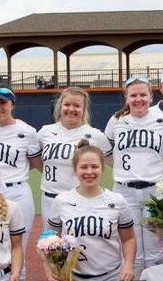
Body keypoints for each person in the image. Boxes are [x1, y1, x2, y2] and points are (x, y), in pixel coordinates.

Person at [105, 77, 163, 277]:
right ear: (126, 98)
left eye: (143, 94)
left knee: (155, 251)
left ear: (151, 97)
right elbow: (107, 151)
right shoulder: (116, 121)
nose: (138, 99)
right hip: (125, 191)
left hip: (155, 192)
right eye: (133, 95)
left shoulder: (162, 120)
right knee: (131, 252)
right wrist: (121, 168)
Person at [47, 140, 137, 281]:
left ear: (102, 169)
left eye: (95, 167)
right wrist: (51, 270)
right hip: (72, 279)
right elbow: (48, 239)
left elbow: (129, 238)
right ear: (75, 169)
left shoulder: (117, 200)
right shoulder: (61, 200)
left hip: (111, 278)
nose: (89, 172)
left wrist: (129, 265)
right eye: (83, 167)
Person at [0, 87, 41, 281]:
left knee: (18, 245)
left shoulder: (27, 131)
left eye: (2, 103)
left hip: (18, 193)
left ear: (12, 104)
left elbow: (36, 164)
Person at [38, 87, 111, 226]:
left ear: (84, 110)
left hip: (80, 199)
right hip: (50, 199)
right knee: (51, 243)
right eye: (67, 104)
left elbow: (111, 161)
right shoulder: (45, 132)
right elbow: (34, 157)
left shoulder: (95, 135)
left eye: (77, 106)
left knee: (78, 244)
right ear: (60, 106)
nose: (71, 109)